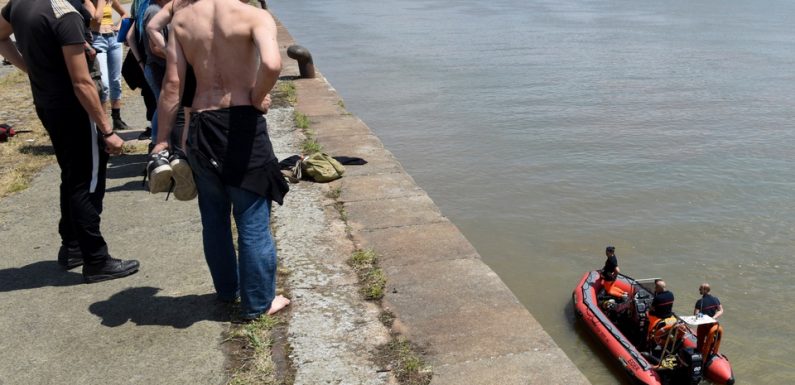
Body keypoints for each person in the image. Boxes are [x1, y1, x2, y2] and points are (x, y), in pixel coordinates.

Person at [152, 0, 290, 320]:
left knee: (214, 217)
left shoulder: (183, 20)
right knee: (252, 217)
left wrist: (162, 139)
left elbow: (173, 85)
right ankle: (259, 303)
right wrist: (257, 97)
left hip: (201, 125)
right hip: (242, 124)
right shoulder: (254, 15)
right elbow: (271, 64)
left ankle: (228, 290)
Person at [1, 0, 139, 282]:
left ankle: (73, 246)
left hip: (47, 104)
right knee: (86, 182)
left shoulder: (20, 4)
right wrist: (107, 130)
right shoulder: (65, 15)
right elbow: (82, 82)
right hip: (74, 109)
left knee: (72, 175)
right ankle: (96, 259)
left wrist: (30, 68)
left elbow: (1, 36)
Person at [83, 0, 131, 130]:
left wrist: (119, 27)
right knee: (103, 83)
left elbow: (125, 14)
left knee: (116, 80)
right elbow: (96, 19)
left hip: (113, 39)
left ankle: (117, 118)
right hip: (97, 39)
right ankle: (103, 122)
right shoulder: (87, 2)